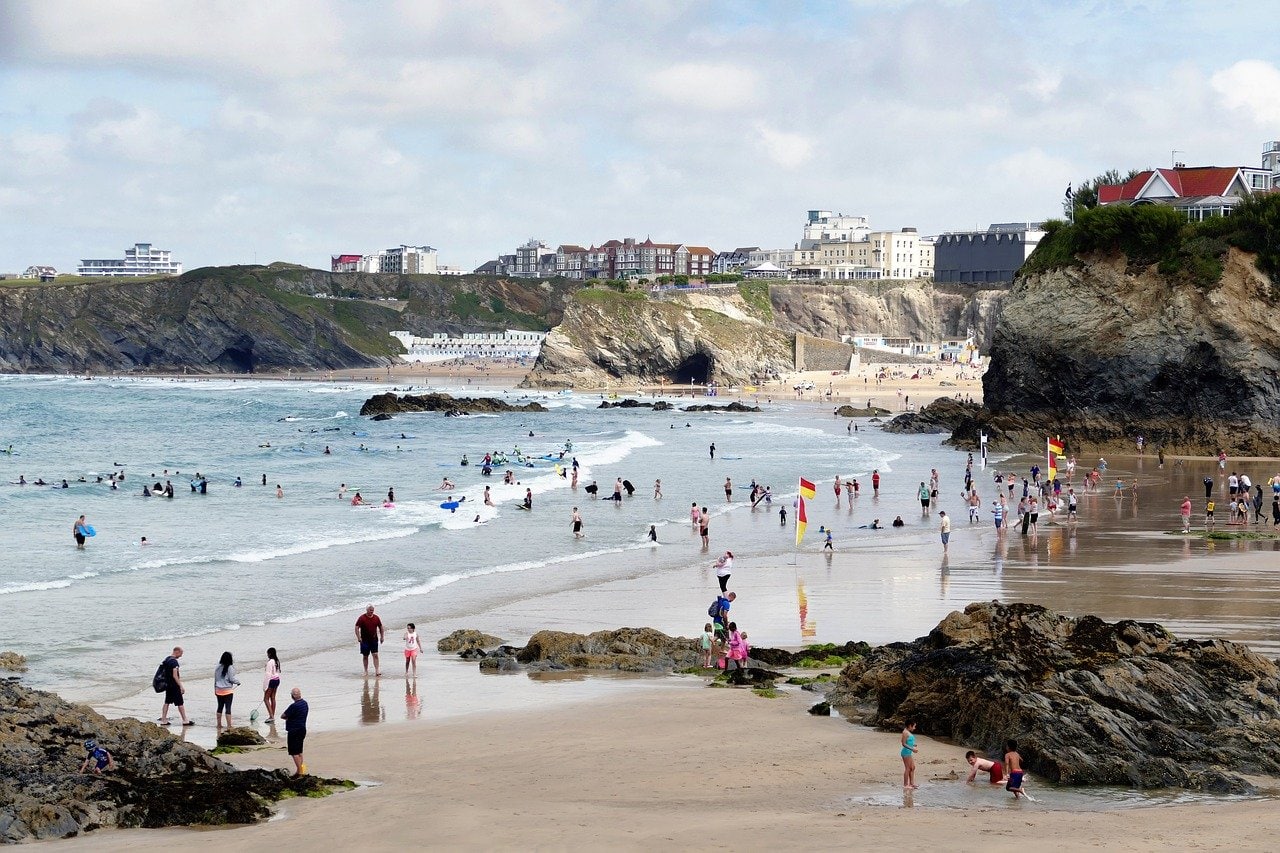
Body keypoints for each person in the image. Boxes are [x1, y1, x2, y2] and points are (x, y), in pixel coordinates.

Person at [158, 646, 191, 726]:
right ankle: (185, 720)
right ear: (177, 652)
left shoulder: (167, 659)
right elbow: (175, 676)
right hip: (174, 685)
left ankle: (163, 719)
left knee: (167, 702)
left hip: (167, 685)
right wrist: (181, 686)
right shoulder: (174, 662)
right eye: (181, 653)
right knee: (180, 703)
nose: (181, 656)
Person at [281, 687, 309, 777]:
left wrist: (289, 718)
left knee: (294, 752)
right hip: (302, 729)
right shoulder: (305, 704)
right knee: (299, 751)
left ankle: (300, 772)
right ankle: (299, 770)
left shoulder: (294, 706)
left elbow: (283, 716)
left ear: (292, 696)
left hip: (294, 730)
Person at [355, 605, 385, 677]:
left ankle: (377, 670)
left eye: (372, 610)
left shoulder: (376, 618)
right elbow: (356, 627)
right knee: (365, 656)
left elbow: (381, 627)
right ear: (367, 610)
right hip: (364, 640)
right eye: (370, 610)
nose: (371, 611)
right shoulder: (362, 618)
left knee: (375, 655)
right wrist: (358, 637)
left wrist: (382, 637)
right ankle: (365, 671)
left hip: (374, 639)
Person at [214, 651, 241, 729]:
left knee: (219, 707)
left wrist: (215, 690)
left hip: (218, 690)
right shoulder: (230, 667)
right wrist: (238, 682)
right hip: (227, 691)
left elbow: (216, 680)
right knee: (228, 708)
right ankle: (229, 725)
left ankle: (219, 724)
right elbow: (231, 679)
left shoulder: (217, 667)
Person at [263, 647, 282, 723]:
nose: (267, 655)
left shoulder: (270, 662)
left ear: (270, 653)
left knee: (266, 699)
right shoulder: (277, 661)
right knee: (273, 698)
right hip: (277, 680)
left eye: (268, 653)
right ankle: (272, 715)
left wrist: (265, 687)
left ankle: (271, 716)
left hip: (271, 681)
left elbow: (268, 675)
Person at [900, 720, 919, 789]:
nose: (914, 728)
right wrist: (912, 749)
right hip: (905, 752)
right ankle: (905, 785)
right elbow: (903, 743)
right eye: (914, 726)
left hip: (909, 752)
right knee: (908, 768)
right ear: (910, 725)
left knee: (912, 767)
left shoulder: (908, 732)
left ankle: (911, 783)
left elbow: (908, 741)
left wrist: (913, 744)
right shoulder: (905, 732)